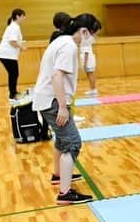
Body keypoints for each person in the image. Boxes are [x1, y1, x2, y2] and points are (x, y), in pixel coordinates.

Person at [31, 13, 101, 205]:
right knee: (72, 142)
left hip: (46, 99)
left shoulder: (61, 40)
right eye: (92, 34)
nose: (92, 39)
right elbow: (57, 76)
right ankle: (65, 192)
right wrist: (62, 107)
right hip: (53, 101)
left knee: (62, 140)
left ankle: (58, 175)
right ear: (84, 31)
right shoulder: (69, 46)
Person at [0, 8, 27, 102]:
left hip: (6, 54)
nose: (24, 18)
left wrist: (19, 45)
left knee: (13, 73)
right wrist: (21, 47)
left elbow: (14, 41)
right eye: (23, 16)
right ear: (17, 16)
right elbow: (12, 41)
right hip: (7, 55)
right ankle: (13, 94)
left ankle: (13, 93)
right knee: (14, 73)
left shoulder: (13, 26)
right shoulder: (14, 27)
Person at [80, 23, 98, 96]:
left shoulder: (87, 40)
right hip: (88, 58)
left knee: (90, 74)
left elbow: (86, 52)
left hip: (88, 59)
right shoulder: (88, 38)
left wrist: (85, 63)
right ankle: (92, 89)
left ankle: (93, 89)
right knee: (89, 74)